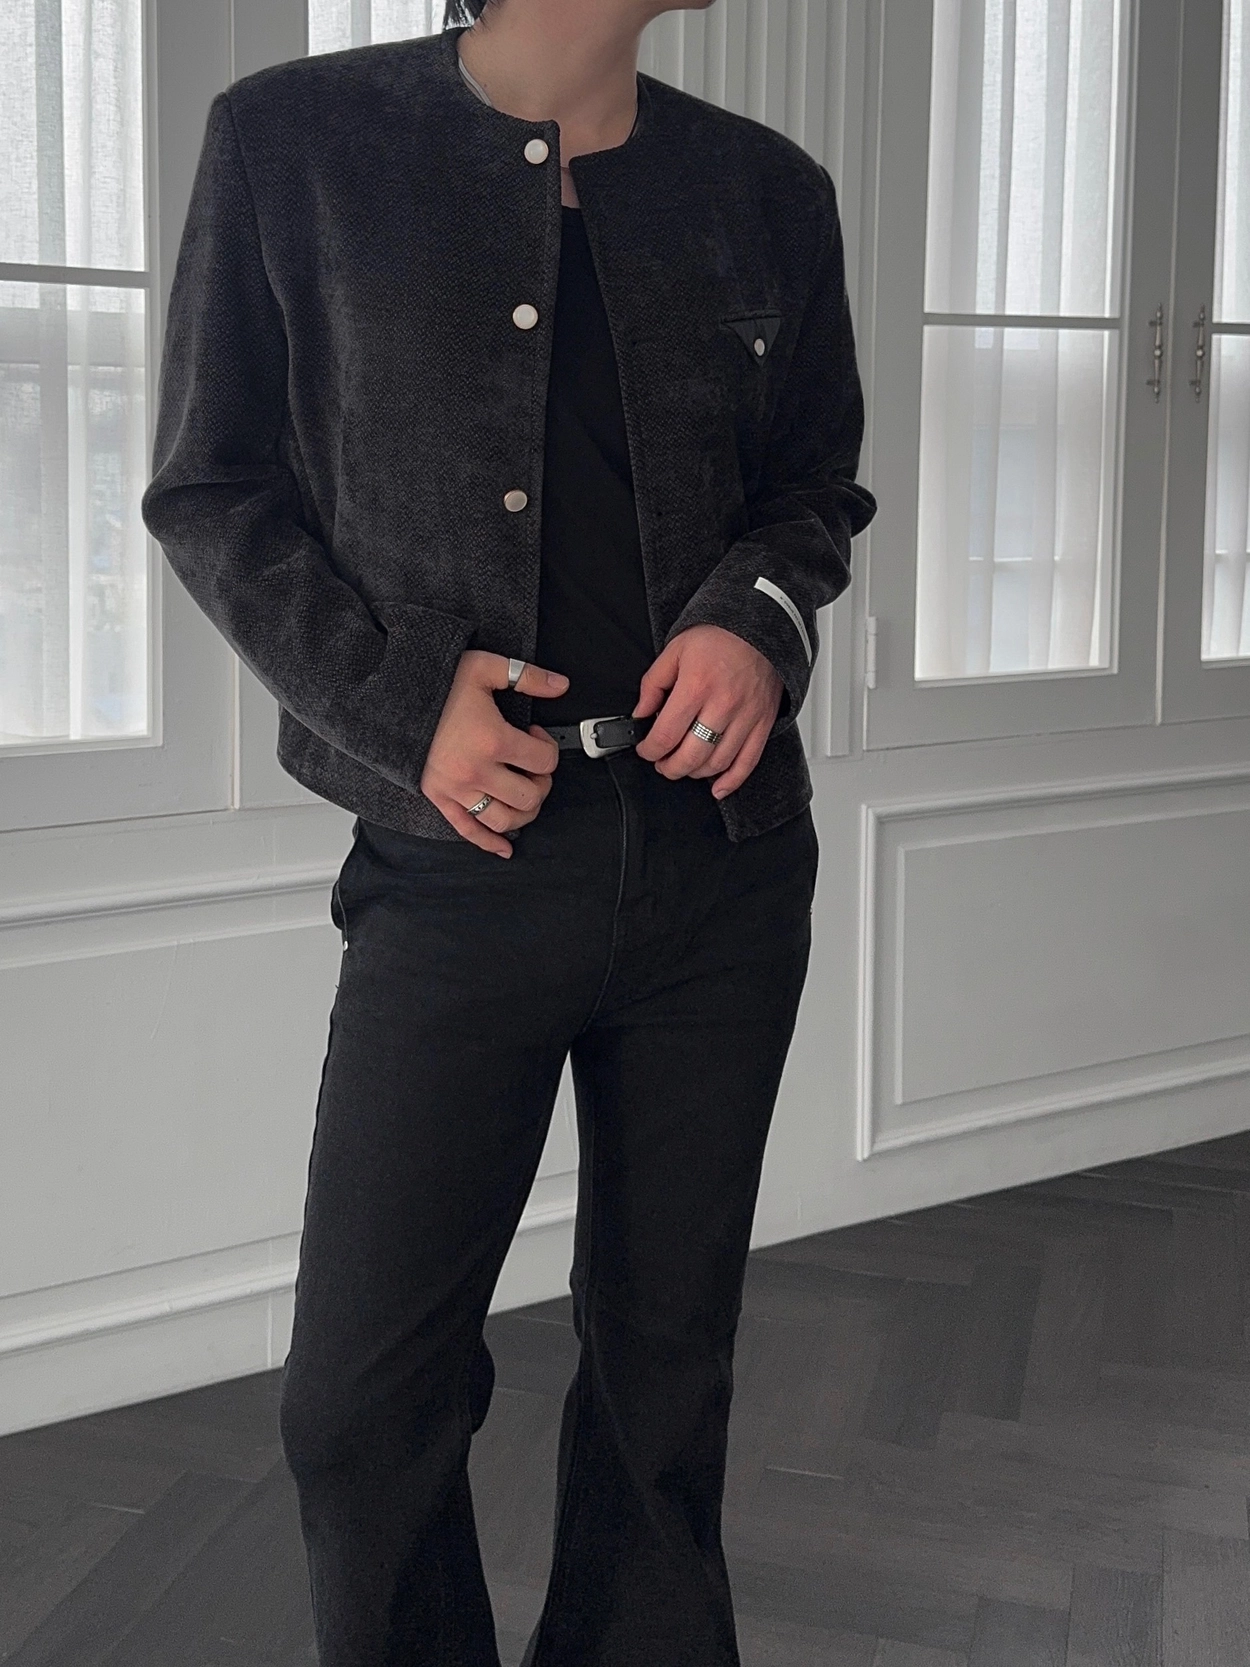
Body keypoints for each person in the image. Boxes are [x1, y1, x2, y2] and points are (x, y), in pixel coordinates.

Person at [141, 0, 877, 1661]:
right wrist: (405, 707)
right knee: (359, 1397)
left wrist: (754, 623)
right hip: (459, 862)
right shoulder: (294, 145)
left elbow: (811, 490)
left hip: (723, 861)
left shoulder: (767, 188)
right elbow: (211, 491)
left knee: (665, 1367)